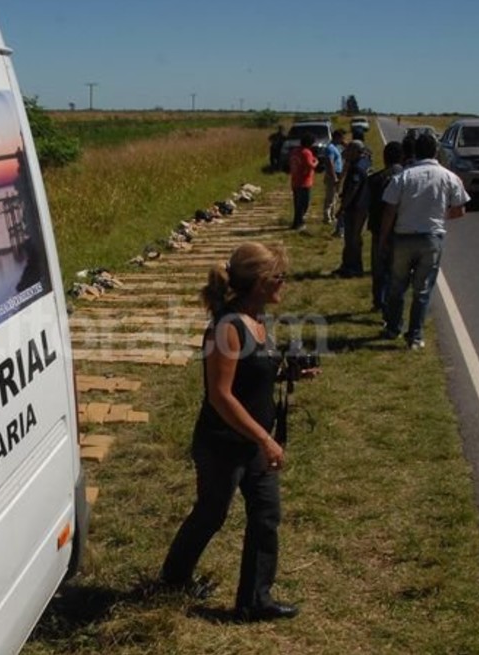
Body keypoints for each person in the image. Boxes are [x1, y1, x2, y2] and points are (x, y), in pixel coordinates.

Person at [160, 242, 314, 622]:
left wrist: (288, 372)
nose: (284, 283)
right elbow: (220, 396)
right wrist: (265, 438)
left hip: (254, 444)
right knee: (211, 514)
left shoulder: (260, 320)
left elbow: (254, 376)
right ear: (260, 281)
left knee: (266, 516)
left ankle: (254, 600)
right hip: (223, 444)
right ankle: (172, 580)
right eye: (280, 276)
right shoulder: (226, 328)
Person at [378, 133, 470, 350]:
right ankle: (415, 336)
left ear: (415, 152)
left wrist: (383, 238)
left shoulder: (404, 176)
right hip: (431, 238)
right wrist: (439, 215)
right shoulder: (448, 177)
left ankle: (393, 328)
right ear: (436, 152)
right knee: (422, 290)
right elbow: (460, 209)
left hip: (403, 237)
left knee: (397, 286)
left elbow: (389, 210)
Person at [367, 141, 404, 311]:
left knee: (379, 269)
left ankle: (378, 301)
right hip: (402, 231)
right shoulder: (408, 178)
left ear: (384, 158)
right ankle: (392, 303)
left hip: (378, 229)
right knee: (396, 271)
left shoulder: (375, 179)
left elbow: (363, 207)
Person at [332, 140, 371, 278]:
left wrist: (342, 207)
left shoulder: (357, 167)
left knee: (353, 239)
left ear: (355, 151)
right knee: (351, 239)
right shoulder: (364, 162)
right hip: (360, 206)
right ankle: (347, 265)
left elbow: (353, 189)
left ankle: (354, 268)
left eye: (349, 150)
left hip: (355, 208)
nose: (346, 153)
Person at [287, 135, 318, 230]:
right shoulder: (306, 152)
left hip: (295, 180)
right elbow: (310, 165)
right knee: (304, 204)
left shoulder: (295, 151)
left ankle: (296, 222)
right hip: (304, 181)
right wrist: (316, 162)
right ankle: (300, 222)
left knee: (297, 204)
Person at [323, 130, 346, 234]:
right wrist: (334, 176)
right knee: (330, 196)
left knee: (335, 197)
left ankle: (332, 215)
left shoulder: (337, 147)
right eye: (342, 138)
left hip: (338, 173)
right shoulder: (330, 148)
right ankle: (327, 217)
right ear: (337, 137)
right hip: (333, 174)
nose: (343, 140)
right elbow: (330, 162)